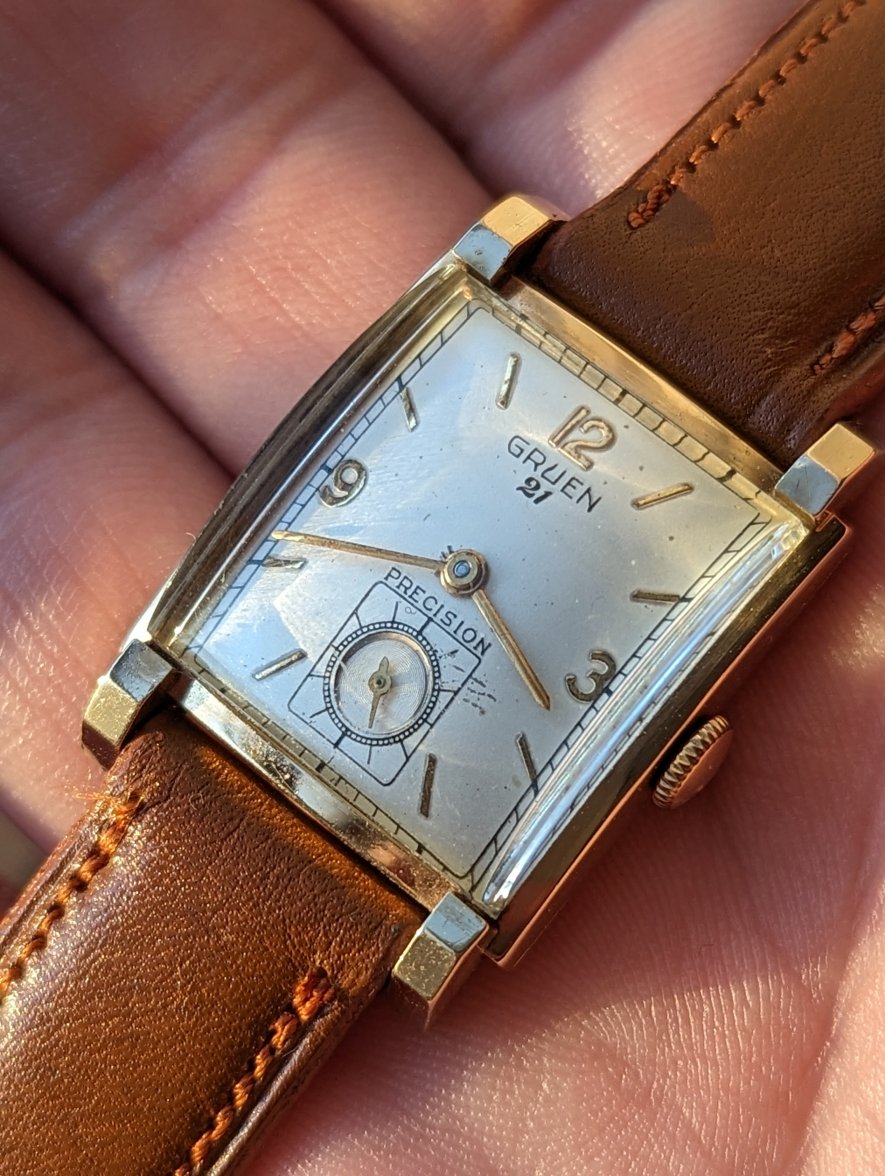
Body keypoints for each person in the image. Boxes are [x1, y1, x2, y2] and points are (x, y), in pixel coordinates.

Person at [0, 1, 881, 1171]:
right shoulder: (500, 307)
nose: (463, 574)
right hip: (214, 712)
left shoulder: (759, 498)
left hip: (336, 803)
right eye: (461, 567)